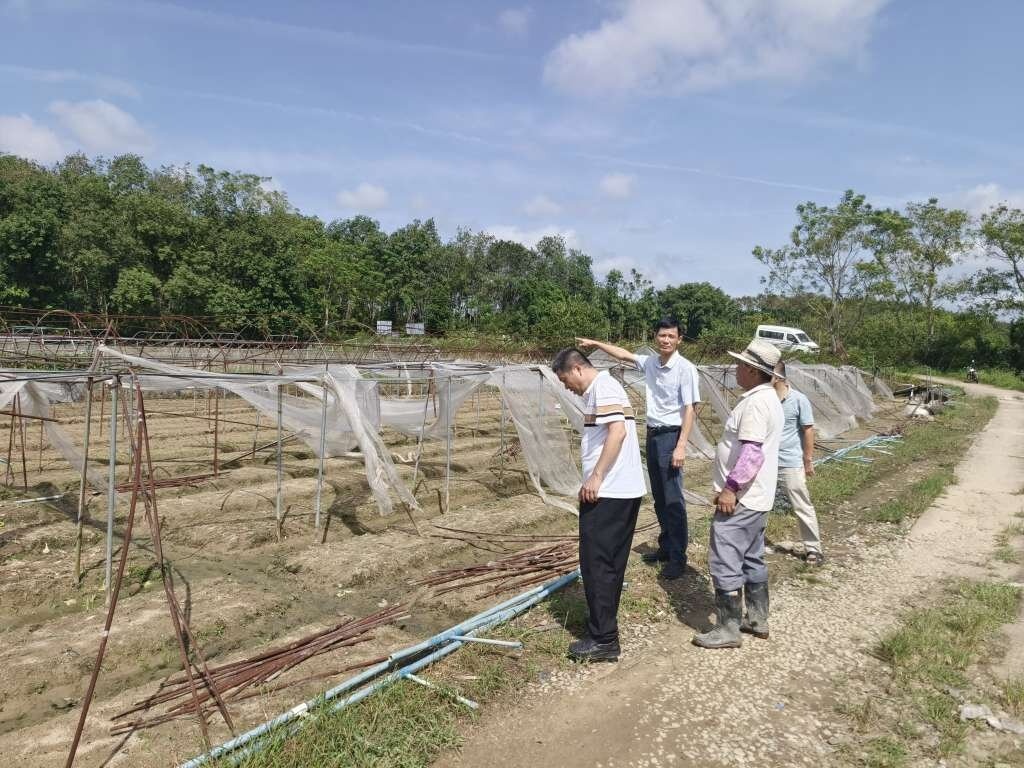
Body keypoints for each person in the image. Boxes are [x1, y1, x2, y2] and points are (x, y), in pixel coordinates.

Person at [576, 318, 700, 580]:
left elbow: (690, 408)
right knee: (659, 496)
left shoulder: (685, 369)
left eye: (671, 336)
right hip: (653, 434)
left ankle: (678, 557)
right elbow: (624, 354)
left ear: (679, 340)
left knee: (674, 499)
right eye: (662, 335)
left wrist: (681, 446)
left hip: (671, 436)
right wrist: (596, 343)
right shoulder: (652, 363)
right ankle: (666, 548)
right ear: (656, 337)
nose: (665, 340)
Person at [552, 347, 646, 662]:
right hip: (622, 490)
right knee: (609, 563)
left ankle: (604, 639)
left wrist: (596, 477)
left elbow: (616, 433)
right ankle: (604, 630)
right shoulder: (603, 388)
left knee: (597, 564)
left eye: (566, 380)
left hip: (610, 492)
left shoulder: (602, 387)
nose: (567, 388)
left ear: (577, 369)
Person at [693, 338, 784, 650]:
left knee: (726, 559)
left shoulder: (757, 403)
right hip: (758, 498)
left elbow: (752, 455)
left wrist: (730, 489)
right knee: (751, 556)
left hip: (743, 498)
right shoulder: (769, 397)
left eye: (740, 364)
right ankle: (757, 619)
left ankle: (728, 628)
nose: (735, 369)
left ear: (751, 370)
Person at [773, 360, 824, 565]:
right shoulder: (765, 399)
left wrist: (807, 459)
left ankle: (814, 548)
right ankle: (752, 544)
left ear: (777, 376)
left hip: (790, 461)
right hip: (765, 462)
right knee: (757, 504)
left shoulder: (799, 400)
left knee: (801, 503)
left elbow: (808, 430)